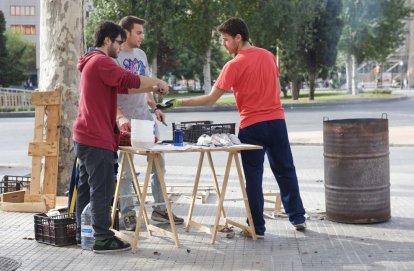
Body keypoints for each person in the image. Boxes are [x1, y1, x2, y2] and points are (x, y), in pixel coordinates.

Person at [159, 17, 306, 238]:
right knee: (286, 170)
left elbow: (210, 100)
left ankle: (256, 228)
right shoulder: (268, 56)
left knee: (254, 178)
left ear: (239, 37)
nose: (224, 44)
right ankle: (298, 217)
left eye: (226, 39)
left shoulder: (234, 64)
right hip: (277, 122)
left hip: (252, 126)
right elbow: (275, 89)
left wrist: (179, 103)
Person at [73, 21, 169, 253]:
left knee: (87, 187)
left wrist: (152, 90)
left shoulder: (91, 62)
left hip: (85, 135)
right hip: (96, 137)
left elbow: (124, 87)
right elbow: (129, 79)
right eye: (118, 41)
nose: (120, 46)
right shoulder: (102, 61)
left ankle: (83, 233)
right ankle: (102, 238)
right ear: (107, 40)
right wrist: (157, 82)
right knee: (102, 189)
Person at [115, 16, 184, 230]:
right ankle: (127, 214)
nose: (142, 36)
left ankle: (160, 210)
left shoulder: (141, 55)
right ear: (126, 33)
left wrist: (154, 109)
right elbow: (113, 92)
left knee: (158, 166)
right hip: (127, 124)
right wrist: (120, 118)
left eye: (142, 32)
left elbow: (145, 86)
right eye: (138, 32)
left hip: (146, 120)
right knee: (126, 170)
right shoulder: (115, 56)